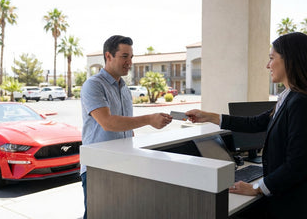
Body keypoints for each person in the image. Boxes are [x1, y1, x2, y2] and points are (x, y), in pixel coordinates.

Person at [186, 32, 307, 219]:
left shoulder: (300, 102)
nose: (268, 65)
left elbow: (298, 164)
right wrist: (209, 116)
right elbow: (256, 123)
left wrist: (257, 187)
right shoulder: (288, 97)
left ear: (289, 60)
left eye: (271, 58)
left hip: (292, 205)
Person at [80, 35, 173, 219]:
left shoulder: (124, 88)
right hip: (98, 167)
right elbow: (108, 123)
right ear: (108, 56)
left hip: (123, 164)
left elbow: (127, 128)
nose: (129, 62)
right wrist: (149, 119)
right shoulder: (93, 85)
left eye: (131, 57)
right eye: (124, 56)